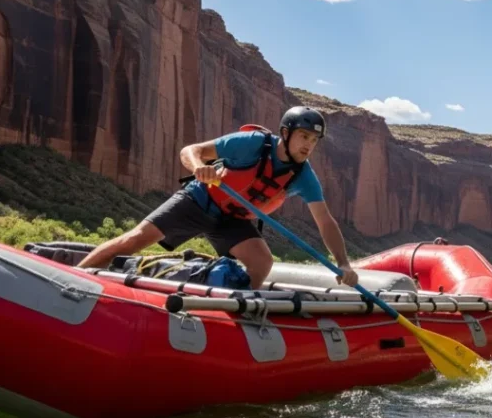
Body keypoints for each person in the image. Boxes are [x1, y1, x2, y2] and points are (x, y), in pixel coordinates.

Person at [77, 106, 359, 289]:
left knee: (262, 262)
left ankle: (234, 310)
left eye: (313, 141)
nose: (308, 145)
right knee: (134, 239)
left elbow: (325, 222)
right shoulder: (250, 144)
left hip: (232, 219)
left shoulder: (303, 176)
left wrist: (343, 262)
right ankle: (76, 277)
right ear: (285, 133)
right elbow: (192, 150)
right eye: (303, 137)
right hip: (201, 200)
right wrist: (199, 167)